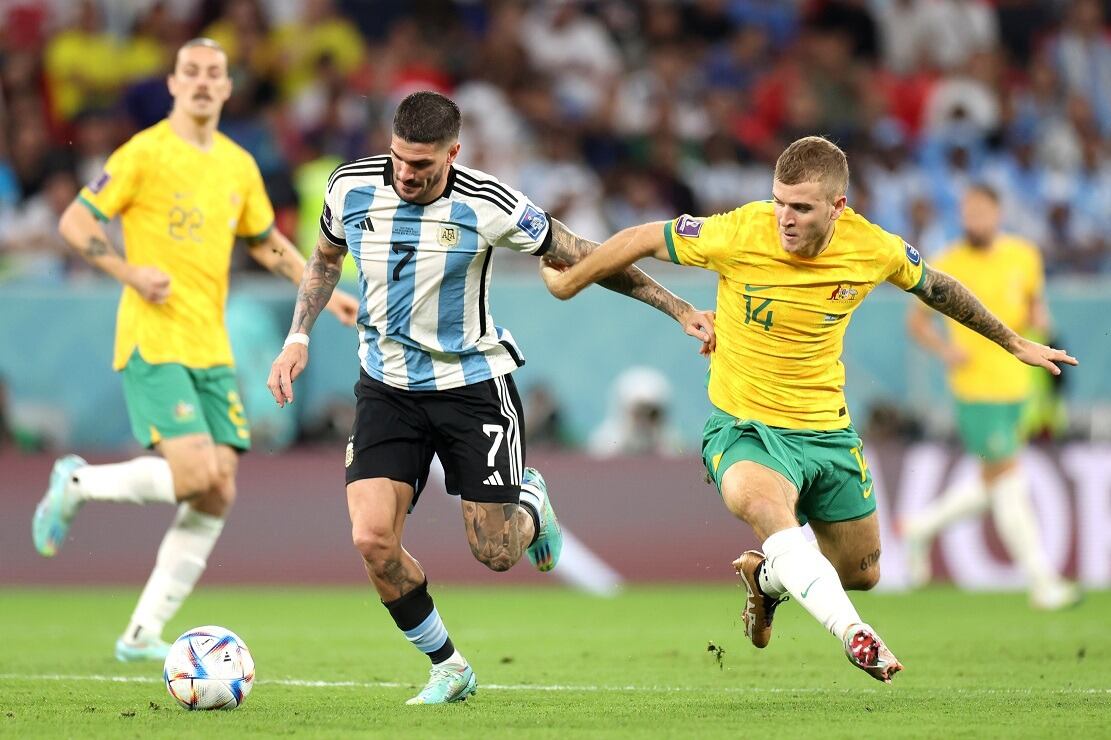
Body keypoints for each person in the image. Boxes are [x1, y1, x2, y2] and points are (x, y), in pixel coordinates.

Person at [540, 136, 1078, 683]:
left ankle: (767, 580)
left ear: (837, 208)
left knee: (861, 570)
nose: (784, 218)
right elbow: (638, 237)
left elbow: (936, 288)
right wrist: (570, 284)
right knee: (762, 506)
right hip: (743, 426)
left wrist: (1012, 341)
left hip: (826, 431)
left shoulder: (872, 247)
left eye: (801, 207)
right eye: (779, 201)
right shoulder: (740, 230)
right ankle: (856, 635)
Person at [266, 91, 714, 705]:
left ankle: (529, 494)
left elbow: (587, 257)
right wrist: (297, 337)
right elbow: (323, 261)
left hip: (471, 388)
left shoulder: (488, 203)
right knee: (372, 540)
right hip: (386, 387)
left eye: (422, 164)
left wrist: (680, 308)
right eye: (398, 159)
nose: (406, 174)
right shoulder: (349, 187)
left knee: (497, 552)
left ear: (453, 153)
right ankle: (449, 667)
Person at [30, 38, 359, 662]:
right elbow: (76, 222)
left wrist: (323, 293)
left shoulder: (237, 164)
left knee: (218, 492)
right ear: (175, 84)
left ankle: (139, 634)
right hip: (154, 338)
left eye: (215, 73)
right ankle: (75, 481)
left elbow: (263, 240)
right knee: (193, 475)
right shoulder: (144, 153)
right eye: (192, 73)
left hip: (211, 346)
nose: (204, 82)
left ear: (228, 88)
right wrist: (129, 273)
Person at [903, 184, 1080, 610]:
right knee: (1008, 477)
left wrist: (1042, 325)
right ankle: (1042, 581)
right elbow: (917, 323)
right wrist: (948, 351)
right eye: (968, 212)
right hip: (976, 390)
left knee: (995, 482)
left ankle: (920, 528)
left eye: (982, 212)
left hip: (1018, 387)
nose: (974, 220)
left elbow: (1036, 307)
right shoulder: (948, 264)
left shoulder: (1024, 256)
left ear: (998, 213)